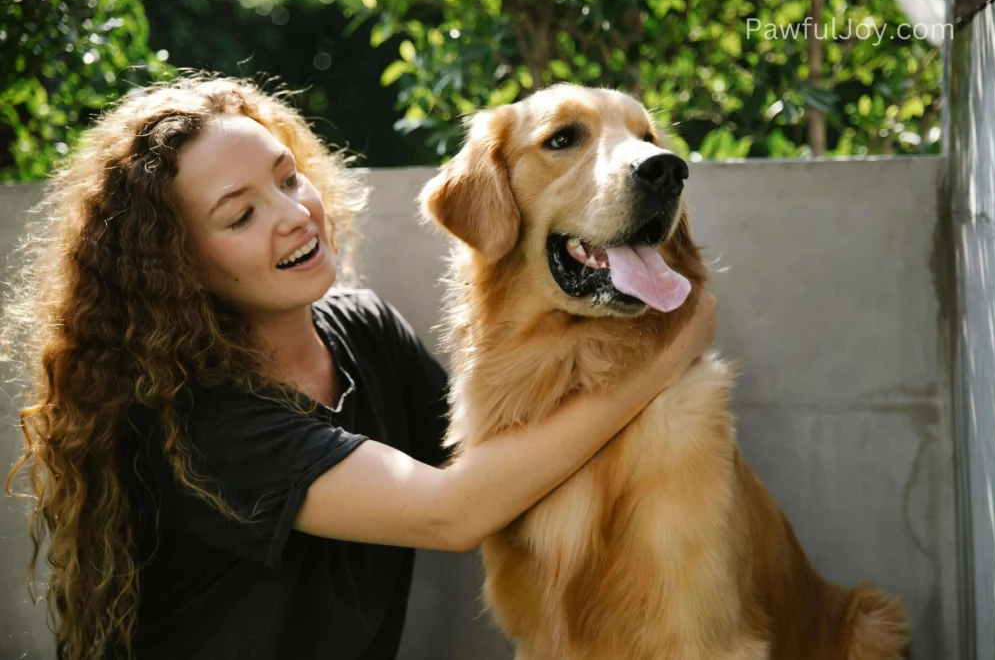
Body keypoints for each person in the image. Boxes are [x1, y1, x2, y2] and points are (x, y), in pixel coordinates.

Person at [1, 76, 718, 660]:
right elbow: (454, 509)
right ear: (176, 266)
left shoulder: (363, 328)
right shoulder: (197, 419)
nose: (292, 215)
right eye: (239, 214)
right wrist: (664, 358)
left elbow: (505, 463)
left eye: (287, 179)